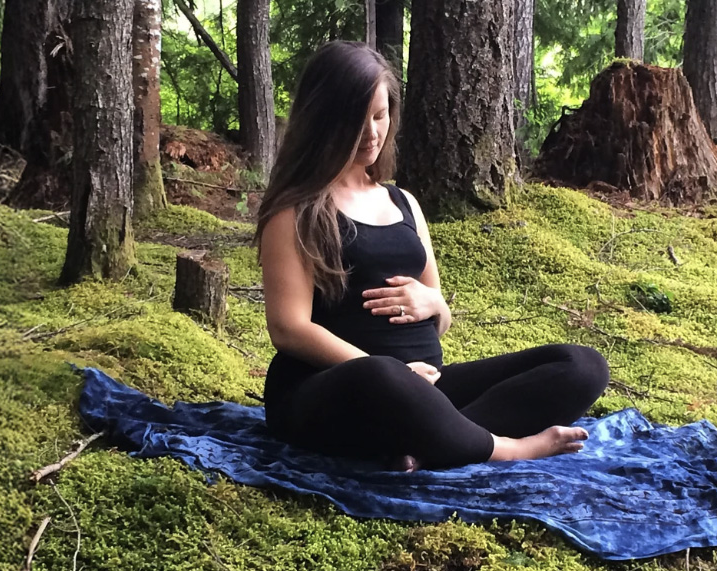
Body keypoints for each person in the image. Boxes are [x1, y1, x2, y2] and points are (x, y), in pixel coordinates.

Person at [256, 41, 610, 470]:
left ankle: (427, 446)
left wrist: (436, 305)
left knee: (582, 365)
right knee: (382, 374)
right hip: (337, 391)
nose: (372, 133)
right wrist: (394, 371)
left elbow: (439, 320)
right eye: (357, 119)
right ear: (324, 119)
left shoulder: (403, 202)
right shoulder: (297, 211)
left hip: (424, 387)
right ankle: (505, 447)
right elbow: (289, 329)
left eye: (380, 116)